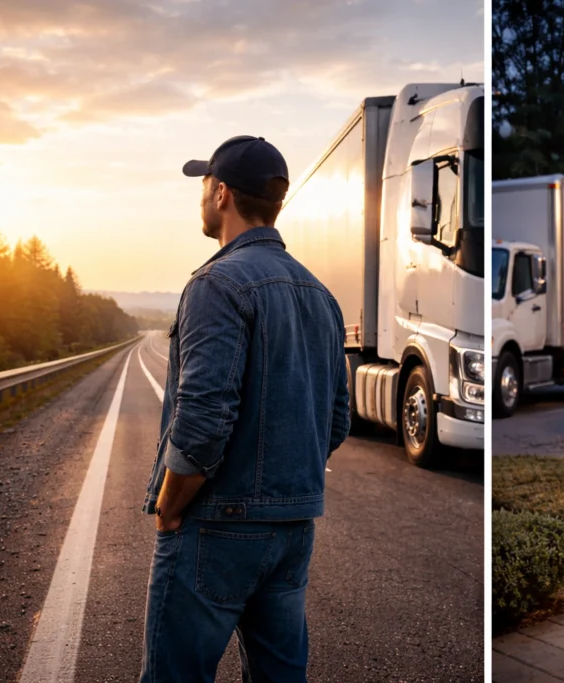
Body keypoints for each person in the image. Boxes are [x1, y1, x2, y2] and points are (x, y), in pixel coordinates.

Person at [139, 135, 351, 682]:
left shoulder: (216, 284)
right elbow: (335, 420)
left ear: (222, 194)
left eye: (204, 184)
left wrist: (169, 505)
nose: (202, 196)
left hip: (216, 525)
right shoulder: (322, 296)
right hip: (292, 528)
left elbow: (203, 420)